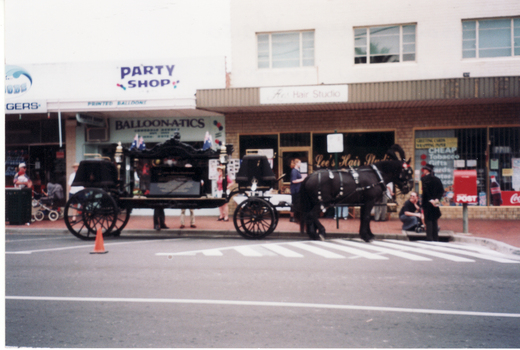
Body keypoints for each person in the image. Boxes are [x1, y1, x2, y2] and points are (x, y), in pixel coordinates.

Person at [421, 163, 444, 241]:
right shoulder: (437, 179)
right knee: (435, 219)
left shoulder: (424, 179)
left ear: (427, 170)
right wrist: (437, 199)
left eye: (424, 169)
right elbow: (441, 191)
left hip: (428, 202)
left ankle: (429, 238)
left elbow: (426, 191)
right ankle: (435, 237)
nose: (423, 171)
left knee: (428, 219)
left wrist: (431, 200)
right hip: (436, 201)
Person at [290, 158, 304, 222]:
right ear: (296, 163)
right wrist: (302, 179)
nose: (300, 164)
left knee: (296, 203)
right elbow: (294, 181)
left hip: (297, 189)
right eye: (300, 163)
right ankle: (292, 217)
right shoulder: (294, 171)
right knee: (295, 203)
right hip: (295, 190)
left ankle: (294, 217)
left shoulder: (296, 171)